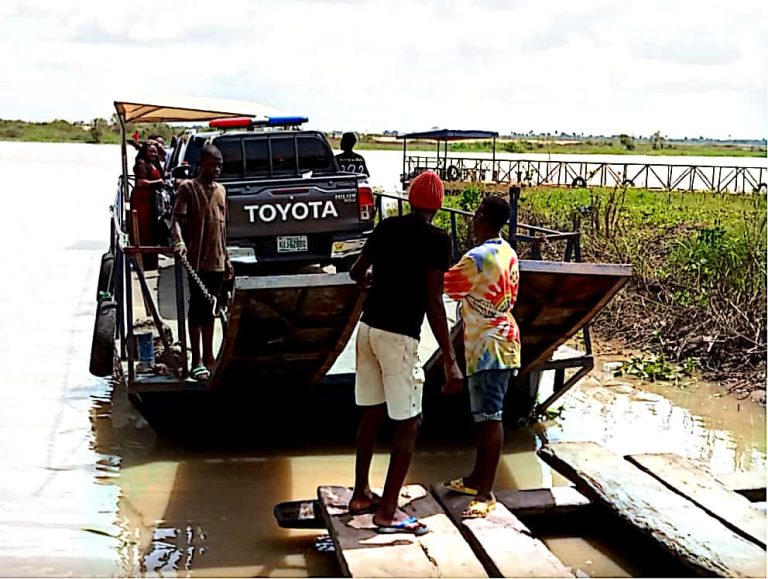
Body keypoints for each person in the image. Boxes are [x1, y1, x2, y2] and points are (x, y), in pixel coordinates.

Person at [347, 170, 463, 536]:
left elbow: (355, 272)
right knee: (410, 423)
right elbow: (432, 301)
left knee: (372, 413)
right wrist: (450, 358)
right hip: (399, 337)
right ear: (439, 204)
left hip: (367, 330)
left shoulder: (386, 227)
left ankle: (361, 494)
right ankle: (388, 512)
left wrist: (375, 281)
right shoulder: (438, 240)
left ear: (410, 198)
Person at [442, 195, 521, 519]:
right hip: (503, 339)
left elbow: (447, 286)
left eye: (476, 216)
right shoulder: (508, 251)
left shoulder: (476, 258)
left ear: (482, 217)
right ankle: (476, 479)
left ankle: (486, 493)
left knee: (490, 417)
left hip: (488, 345)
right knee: (484, 415)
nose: (472, 222)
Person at [171, 144, 234, 381]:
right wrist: (179, 242)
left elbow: (223, 227)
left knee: (212, 309)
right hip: (197, 261)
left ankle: (210, 357)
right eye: (212, 164)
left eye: (220, 164)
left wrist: (227, 258)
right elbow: (176, 220)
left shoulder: (221, 190)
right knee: (197, 311)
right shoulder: (188, 188)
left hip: (217, 261)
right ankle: (196, 359)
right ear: (201, 165)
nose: (217, 169)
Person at [130, 142, 164, 270]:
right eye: (150, 151)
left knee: (152, 230)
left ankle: (151, 263)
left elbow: (164, 155)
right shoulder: (141, 163)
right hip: (142, 201)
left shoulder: (154, 163)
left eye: (155, 151)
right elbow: (140, 182)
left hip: (151, 200)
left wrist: (159, 148)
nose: (153, 154)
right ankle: (142, 263)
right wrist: (157, 182)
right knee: (144, 230)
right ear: (145, 152)